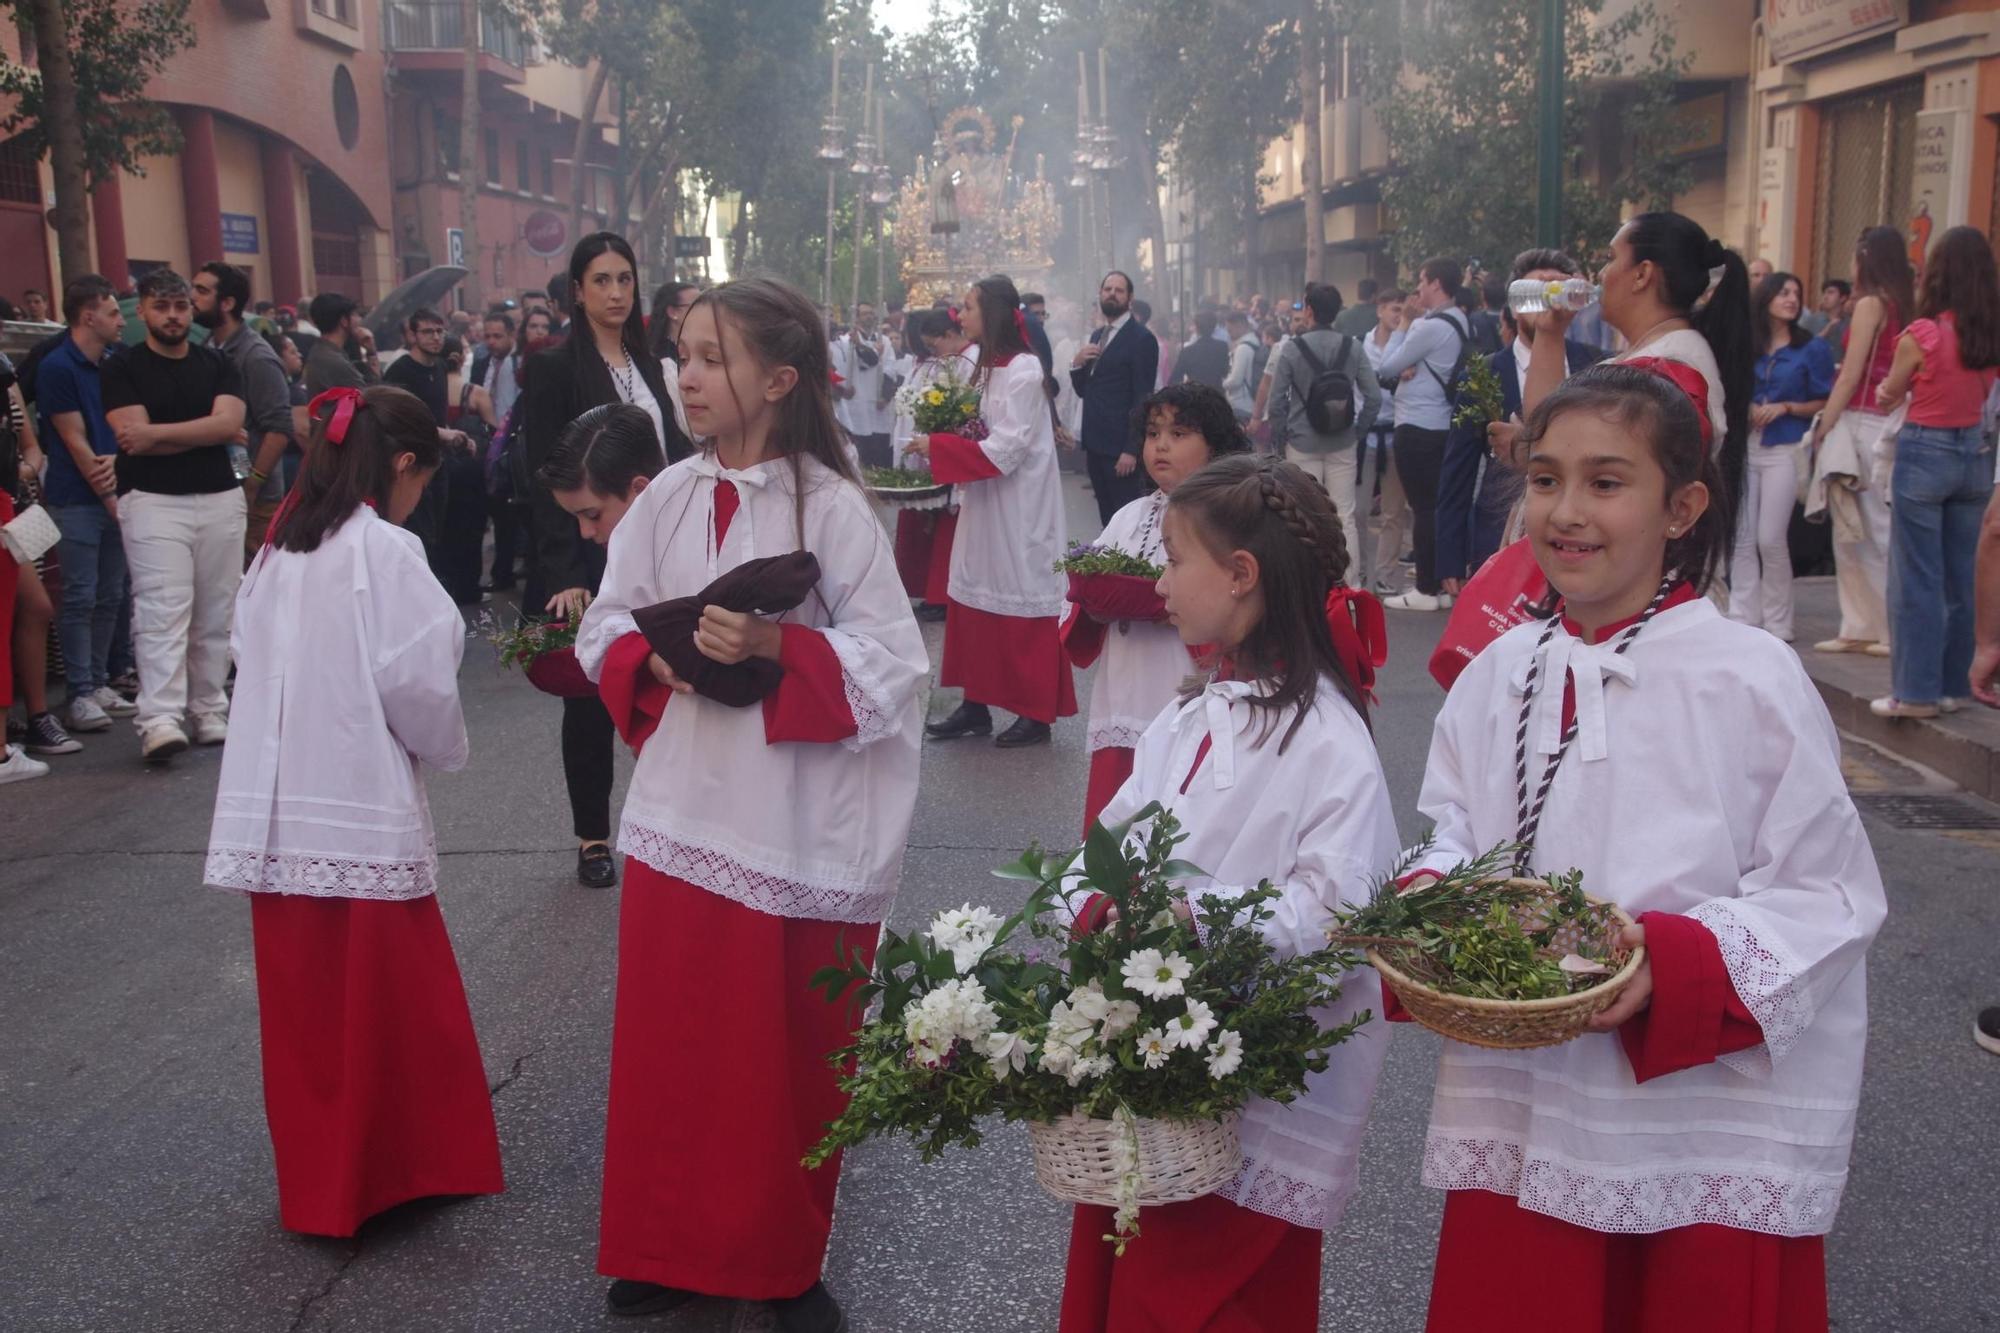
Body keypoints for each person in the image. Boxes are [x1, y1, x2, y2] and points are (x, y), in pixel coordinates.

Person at [1408, 362, 1884, 1333]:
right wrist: (1427, 901)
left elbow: (1826, 898)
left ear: (1683, 506)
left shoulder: (1747, 678)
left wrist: (1666, 964)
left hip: (1694, 1127)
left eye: (1606, 481)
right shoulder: (1499, 672)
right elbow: (1454, 832)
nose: (1565, 511)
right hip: (1529, 1100)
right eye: (1543, 479)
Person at [573, 277, 924, 1332]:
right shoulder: (665, 500)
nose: (686, 375)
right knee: (672, 1045)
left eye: (712, 358)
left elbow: (897, 665)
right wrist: (652, 660)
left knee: (777, 1057)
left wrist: (779, 644)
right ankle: (666, 1242)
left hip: (791, 824)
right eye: (680, 353)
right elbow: (600, 626)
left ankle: (775, 1254)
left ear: (777, 380)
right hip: (683, 814)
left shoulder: (837, 508)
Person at [1059, 453, 1396, 1333]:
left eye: (1173, 560)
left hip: (1256, 1090)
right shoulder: (1187, 717)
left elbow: (1341, 914)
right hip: (1151, 1080)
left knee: (1213, 1304)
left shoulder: (1328, 737)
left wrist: (1190, 919)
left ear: (1242, 574)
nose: (1159, 582)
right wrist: (1094, 910)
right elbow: (1103, 848)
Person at [203, 383, 503, 1237]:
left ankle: (320, 1187)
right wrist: (440, 749)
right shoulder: (384, 550)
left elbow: (243, 654)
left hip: (276, 815)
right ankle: (397, 1172)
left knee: (307, 1018)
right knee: (390, 1006)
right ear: (402, 464)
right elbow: (417, 678)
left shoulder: (278, 549)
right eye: (421, 480)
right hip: (357, 805)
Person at [521, 231, 692, 889]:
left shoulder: (656, 367)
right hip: (591, 552)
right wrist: (563, 572)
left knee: (672, 679)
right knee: (590, 694)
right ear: (577, 291)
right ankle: (594, 835)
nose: (616, 292)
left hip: (663, 547)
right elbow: (546, 478)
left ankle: (671, 823)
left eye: (625, 279)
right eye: (602, 281)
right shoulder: (553, 368)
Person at [1061, 383, 1251, 832]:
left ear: (1216, 447)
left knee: (1175, 815)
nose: (1161, 445)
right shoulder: (1131, 515)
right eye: (1152, 433)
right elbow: (1084, 588)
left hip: (1181, 683)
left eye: (1180, 433)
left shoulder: (1227, 518)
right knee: (1115, 821)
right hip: (1124, 688)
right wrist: (1094, 602)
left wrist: (1173, 602)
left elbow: (1236, 601)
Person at [909, 276, 1075, 748]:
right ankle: (975, 705)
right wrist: (943, 434)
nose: (959, 316)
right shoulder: (979, 365)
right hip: (983, 499)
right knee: (972, 592)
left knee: (1021, 591)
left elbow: (1006, 448)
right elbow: (971, 424)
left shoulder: (1024, 369)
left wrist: (940, 446)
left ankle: (1035, 714)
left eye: (968, 308)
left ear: (994, 313)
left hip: (1018, 506)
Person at [101, 269, 247, 764]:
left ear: (192, 310)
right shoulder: (121, 366)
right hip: (152, 499)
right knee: (163, 610)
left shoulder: (218, 362)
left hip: (221, 497)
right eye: (161, 307)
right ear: (140, 311)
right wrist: (209, 430)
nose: (172, 316)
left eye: (180, 306)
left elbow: (231, 422)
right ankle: (159, 718)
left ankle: (208, 708)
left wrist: (159, 436)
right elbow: (129, 433)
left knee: (216, 611)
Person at [1870, 225, 2000, 719]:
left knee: (1915, 577)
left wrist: (1888, 393)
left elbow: (1890, 393)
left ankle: (1915, 693)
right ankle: (1952, 684)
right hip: (1977, 457)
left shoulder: (1921, 334)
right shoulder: (1989, 336)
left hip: (1925, 453)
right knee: (1962, 576)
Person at [1438, 249, 1606, 591]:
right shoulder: (1483, 373)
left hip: (1579, 538)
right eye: (1540, 290)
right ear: (1518, 306)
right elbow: (1458, 469)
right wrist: (1450, 557)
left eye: (1558, 289)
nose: (1550, 300)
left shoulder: (1597, 365)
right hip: (1499, 533)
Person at [1806, 226, 1912, 657]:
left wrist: (1824, 425)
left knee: (1858, 526)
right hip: (1889, 418)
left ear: (1865, 258)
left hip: (1861, 420)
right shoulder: (1905, 303)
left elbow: (1850, 373)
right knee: (1873, 527)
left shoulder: (1870, 303)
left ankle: (1871, 625)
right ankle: (1873, 624)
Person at [38, 275, 136, 738]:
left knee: (111, 593)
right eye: (113, 312)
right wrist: (111, 496)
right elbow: (75, 441)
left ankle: (97, 682)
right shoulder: (59, 367)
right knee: (79, 594)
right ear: (87, 316)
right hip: (77, 498)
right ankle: (79, 690)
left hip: (113, 490)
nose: (120, 320)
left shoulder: (113, 363)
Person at [1729, 271, 1834, 642]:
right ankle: (1743, 614)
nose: (1791, 298)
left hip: (1786, 447)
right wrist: (1745, 409)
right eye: (1783, 292)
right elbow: (1729, 389)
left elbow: (1825, 399)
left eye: (1796, 292)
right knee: (1741, 537)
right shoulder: (1747, 345)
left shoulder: (1812, 348)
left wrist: (1787, 406)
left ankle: (1778, 621)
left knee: (1770, 538)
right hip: (1747, 446)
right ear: (1766, 298)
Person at [1375, 257, 1474, 611]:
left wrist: (1403, 324)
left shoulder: (1425, 328)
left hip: (1416, 424)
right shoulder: (1459, 320)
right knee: (1439, 505)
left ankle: (1426, 588)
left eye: (1420, 280)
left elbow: (1386, 366)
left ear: (1434, 283)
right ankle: (1444, 584)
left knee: (1422, 507)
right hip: (1443, 422)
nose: (1417, 288)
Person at [194, 263, 296, 566]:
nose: (191, 297)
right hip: (217, 489)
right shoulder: (207, 346)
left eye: (201, 291)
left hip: (255, 499)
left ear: (227, 303)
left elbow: (279, 428)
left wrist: (252, 485)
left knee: (256, 581)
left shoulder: (256, 356)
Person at [1266, 282, 1382, 546]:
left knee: (1305, 515)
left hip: (1301, 443)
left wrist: (1283, 436)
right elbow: (1374, 397)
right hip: (1343, 442)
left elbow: (1276, 402)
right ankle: (1349, 583)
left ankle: (1311, 582)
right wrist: (1357, 431)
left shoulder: (1292, 349)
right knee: (1344, 514)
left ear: (1308, 310)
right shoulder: (1352, 347)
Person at [888, 307, 978, 622]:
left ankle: (943, 594)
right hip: (935, 447)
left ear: (950, 336)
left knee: (947, 524)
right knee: (931, 522)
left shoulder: (970, 359)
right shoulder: (949, 360)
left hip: (955, 450)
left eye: (934, 344)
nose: (931, 351)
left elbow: (966, 406)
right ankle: (931, 590)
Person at [1071, 271, 1158, 525]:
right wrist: (1076, 365)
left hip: (1120, 448)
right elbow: (1086, 390)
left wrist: (1131, 449)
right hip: (1095, 442)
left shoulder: (1141, 339)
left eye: (1119, 290)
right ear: (1100, 294)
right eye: (1107, 289)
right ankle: (1108, 566)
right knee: (1107, 519)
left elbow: (1143, 397)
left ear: (1129, 298)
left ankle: (1126, 566)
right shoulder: (1098, 335)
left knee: (1125, 520)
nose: (1112, 294)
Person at [1363, 289, 1411, 594]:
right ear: (1380, 309)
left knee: (1392, 512)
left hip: (1395, 435)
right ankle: (1354, 574)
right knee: (1356, 511)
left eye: (1403, 311)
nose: (1398, 316)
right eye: (1395, 309)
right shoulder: (1359, 344)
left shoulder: (1409, 346)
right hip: (1365, 436)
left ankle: (1384, 574)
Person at [479, 311, 524, 591]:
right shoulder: (482, 364)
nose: (492, 342)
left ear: (511, 335)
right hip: (487, 445)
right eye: (488, 336)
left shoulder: (517, 365)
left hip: (508, 444)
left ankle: (504, 570)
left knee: (508, 515)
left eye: (498, 336)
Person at [833, 300, 895, 467]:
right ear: (856, 318)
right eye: (865, 313)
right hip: (858, 401)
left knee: (881, 452)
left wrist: (885, 395)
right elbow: (866, 362)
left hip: (879, 404)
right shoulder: (846, 342)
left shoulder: (885, 341)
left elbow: (890, 369)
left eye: (871, 313)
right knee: (862, 451)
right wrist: (862, 346)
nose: (870, 317)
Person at [649, 279, 699, 438]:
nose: (704, 311)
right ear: (673, 312)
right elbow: (686, 424)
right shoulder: (664, 361)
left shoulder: (689, 351)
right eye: (696, 305)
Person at [304, 292, 379, 396]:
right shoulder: (334, 361)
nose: (359, 320)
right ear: (344, 321)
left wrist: (370, 351)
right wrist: (372, 352)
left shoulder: (321, 351)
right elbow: (374, 397)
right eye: (354, 315)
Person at [1169, 310, 1229, 390]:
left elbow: (1175, 379)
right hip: (1216, 394)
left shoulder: (1187, 351)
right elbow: (1225, 371)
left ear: (1196, 328)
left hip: (1195, 395)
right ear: (1214, 327)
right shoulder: (1222, 347)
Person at [1221, 310, 1259, 424]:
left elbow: (1236, 380)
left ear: (1240, 326)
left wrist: (1223, 383)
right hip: (1251, 402)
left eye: (1230, 330)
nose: (1229, 334)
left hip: (1240, 404)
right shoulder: (1255, 342)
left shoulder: (1243, 348)